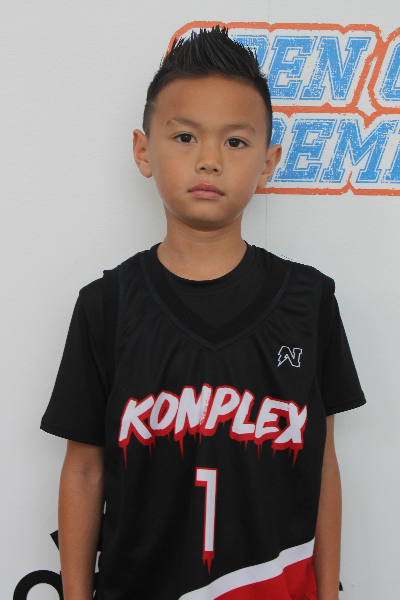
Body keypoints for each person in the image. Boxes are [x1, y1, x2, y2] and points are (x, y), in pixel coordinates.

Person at [40, 25, 366, 600]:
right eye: (186, 136)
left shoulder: (310, 300)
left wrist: (327, 592)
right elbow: (85, 469)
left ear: (268, 162)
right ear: (144, 150)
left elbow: (323, 463)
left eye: (235, 142)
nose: (210, 160)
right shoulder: (106, 305)